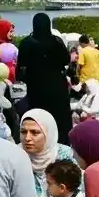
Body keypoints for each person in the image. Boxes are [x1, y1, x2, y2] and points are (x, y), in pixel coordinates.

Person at [16, 13, 73, 144]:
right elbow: (66, 59)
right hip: (58, 88)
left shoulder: (27, 43)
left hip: (37, 88)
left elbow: (21, 69)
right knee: (60, 122)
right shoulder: (57, 42)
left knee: (39, 120)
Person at [20, 109, 77, 197]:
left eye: (35, 132)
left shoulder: (64, 155)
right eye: (23, 132)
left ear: (48, 133)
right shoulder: (15, 156)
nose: (27, 138)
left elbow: (76, 192)